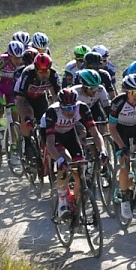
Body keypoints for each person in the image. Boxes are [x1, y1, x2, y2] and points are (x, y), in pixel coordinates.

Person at [39, 87, 92, 216]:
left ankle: (75, 203)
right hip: (53, 134)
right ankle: (62, 203)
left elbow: (95, 133)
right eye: (67, 108)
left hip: (69, 131)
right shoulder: (53, 112)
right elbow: (50, 144)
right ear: (60, 105)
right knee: (65, 163)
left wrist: (103, 150)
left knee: (80, 169)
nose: (70, 111)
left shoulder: (82, 108)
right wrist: (60, 160)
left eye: (72, 107)